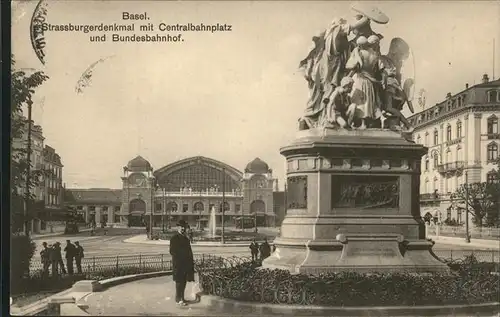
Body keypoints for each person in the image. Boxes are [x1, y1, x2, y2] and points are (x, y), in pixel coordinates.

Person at [169, 220, 195, 306]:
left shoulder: (186, 239)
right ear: (178, 227)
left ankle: (182, 298)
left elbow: (189, 252)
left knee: (184, 282)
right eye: (181, 227)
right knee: (179, 282)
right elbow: (172, 251)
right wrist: (182, 256)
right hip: (178, 264)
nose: (183, 228)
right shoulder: (174, 238)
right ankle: (178, 298)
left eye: (184, 227)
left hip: (185, 265)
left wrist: (190, 262)